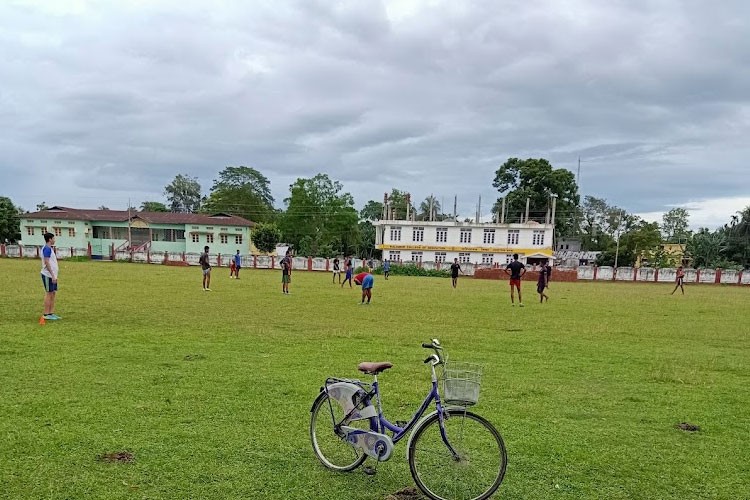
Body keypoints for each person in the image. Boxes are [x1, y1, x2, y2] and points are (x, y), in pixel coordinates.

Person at [40, 232, 61, 320]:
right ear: (50, 239)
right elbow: (47, 262)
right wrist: (52, 275)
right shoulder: (47, 249)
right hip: (48, 275)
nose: (54, 240)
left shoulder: (50, 248)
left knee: (53, 293)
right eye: (54, 238)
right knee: (49, 293)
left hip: (53, 275)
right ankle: (46, 314)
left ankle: (51, 313)